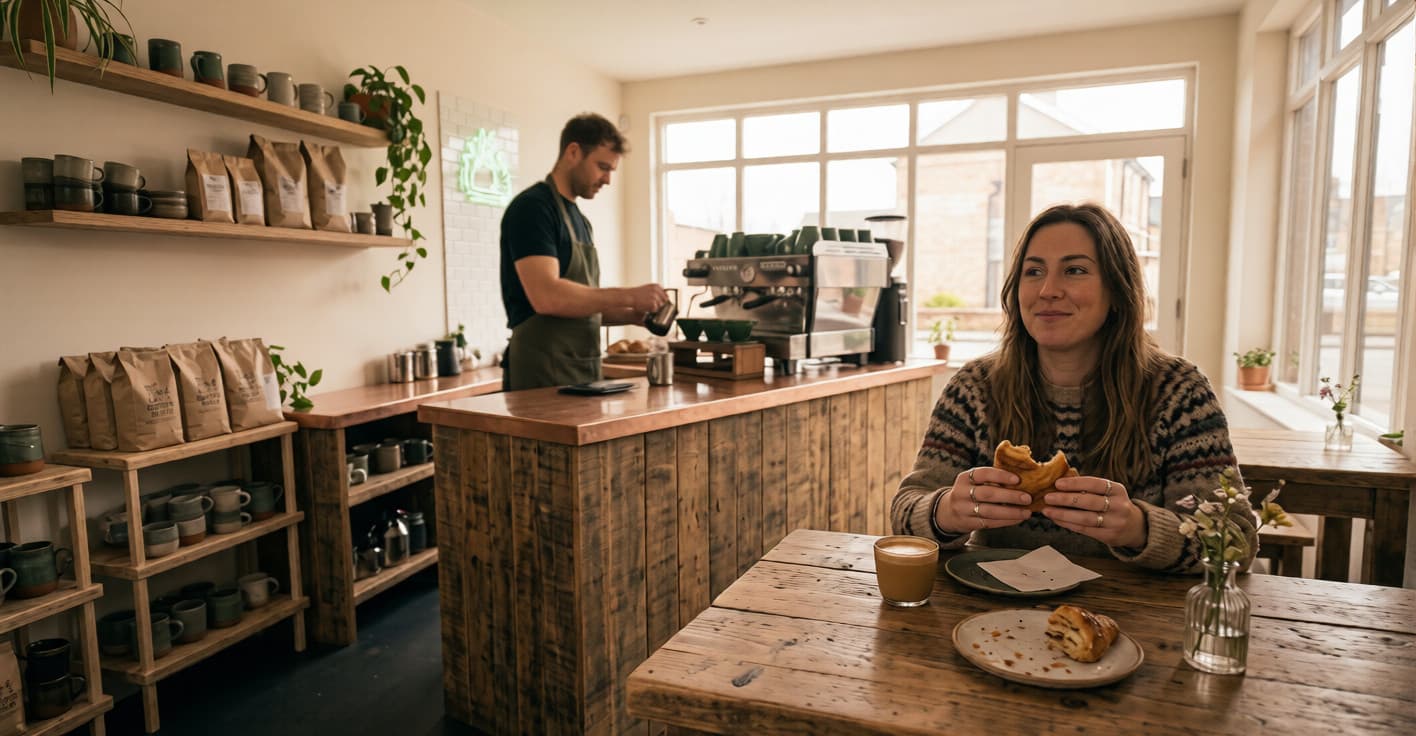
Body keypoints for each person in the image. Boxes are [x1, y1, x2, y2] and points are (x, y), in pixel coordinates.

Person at [890, 203, 1255, 573]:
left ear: (1117, 289)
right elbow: (905, 513)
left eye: (1074, 270)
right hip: (991, 618)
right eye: (1034, 272)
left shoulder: (1179, 392)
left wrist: (1137, 528)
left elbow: (1235, 542)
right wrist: (945, 512)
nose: (1048, 290)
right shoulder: (974, 389)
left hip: (1135, 619)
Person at [499, 113, 669, 390]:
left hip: (582, 374)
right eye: (603, 167)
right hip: (541, 376)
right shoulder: (533, 209)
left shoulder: (580, 221)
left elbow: (577, 306)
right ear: (573, 152)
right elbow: (547, 297)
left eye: (612, 170)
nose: (608, 179)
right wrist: (628, 295)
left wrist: (630, 314)